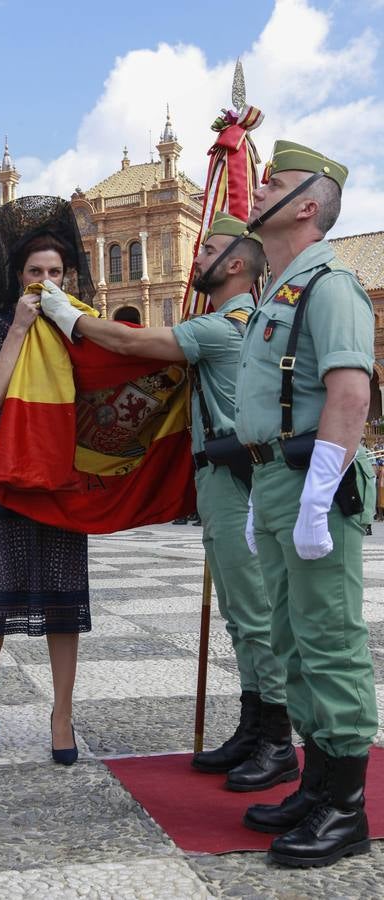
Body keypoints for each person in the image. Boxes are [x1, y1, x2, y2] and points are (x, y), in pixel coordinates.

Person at [41, 211, 294, 791]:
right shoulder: (230, 321)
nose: (197, 259)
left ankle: (276, 739)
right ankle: (254, 728)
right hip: (221, 479)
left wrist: (64, 310)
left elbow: (127, 341)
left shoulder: (227, 325)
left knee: (253, 613)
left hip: (236, 480)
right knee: (240, 612)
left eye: (208, 251)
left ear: (235, 265)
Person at [233, 141, 378, 867]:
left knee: (327, 638)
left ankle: (347, 808)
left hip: (313, 476)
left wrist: (318, 496)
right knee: (291, 639)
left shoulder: (331, 286)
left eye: (275, 183)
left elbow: (351, 396)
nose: (259, 189)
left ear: (309, 207)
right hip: (276, 477)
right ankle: (318, 785)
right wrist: (269, 493)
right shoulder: (280, 292)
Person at [0, 195, 95, 764]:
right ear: (17, 276)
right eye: (35, 272)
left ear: (68, 275)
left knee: (65, 597)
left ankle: (62, 715)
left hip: (59, 470)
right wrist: (18, 328)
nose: (45, 280)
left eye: (54, 272)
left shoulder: (79, 322)